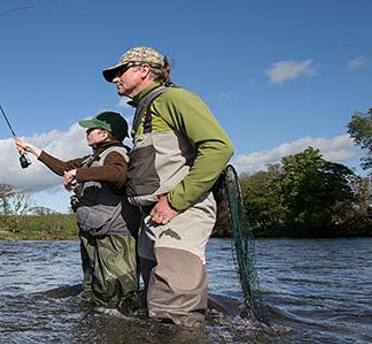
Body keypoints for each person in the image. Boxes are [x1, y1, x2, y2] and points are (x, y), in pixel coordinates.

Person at [101, 46, 234, 328]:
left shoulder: (175, 98)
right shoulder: (142, 110)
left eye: (120, 71)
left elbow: (218, 148)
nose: (115, 79)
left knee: (175, 311)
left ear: (144, 70)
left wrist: (174, 202)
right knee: (154, 305)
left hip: (180, 211)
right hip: (153, 215)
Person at [15, 111, 140, 310]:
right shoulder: (92, 158)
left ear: (105, 134)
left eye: (92, 129)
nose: (87, 132)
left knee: (118, 292)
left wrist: (77, 173)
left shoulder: (116, 153)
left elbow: (118, 174)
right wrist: (31, 149)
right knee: (96, 289)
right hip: (95, 231)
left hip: (115, 235)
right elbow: (62, 167)